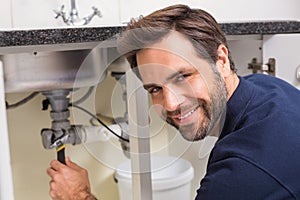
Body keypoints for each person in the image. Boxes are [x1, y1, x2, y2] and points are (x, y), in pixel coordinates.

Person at [47, 4, 300, 200]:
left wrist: (79, 196)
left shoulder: (242, 173)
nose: (170, 104)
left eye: (182, 77)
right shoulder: (267, 88)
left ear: (221, 60)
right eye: (155, 88)